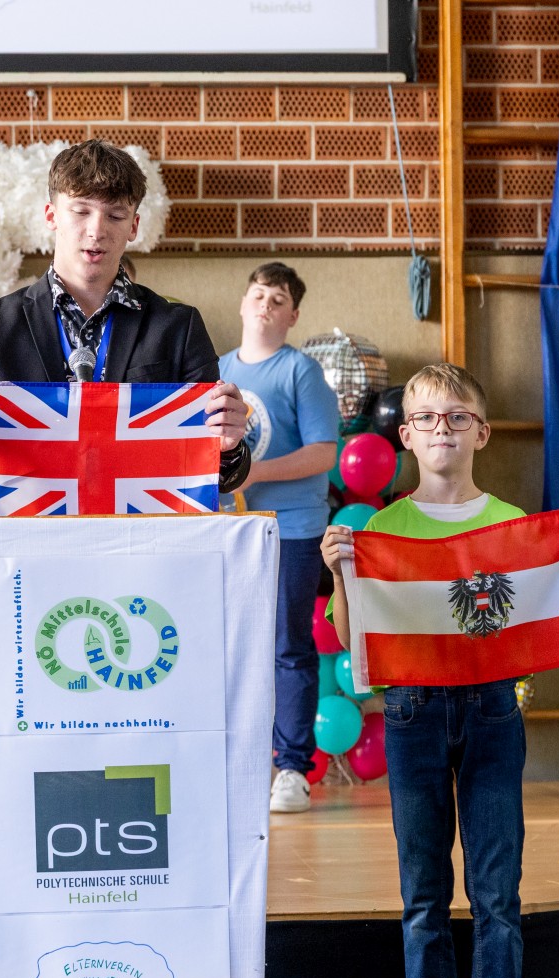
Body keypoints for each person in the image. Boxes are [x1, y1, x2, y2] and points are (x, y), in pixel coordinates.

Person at [320, 363, 559, 978]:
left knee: (498, 893)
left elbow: (545, 610)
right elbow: (348, 639)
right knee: (423, 896)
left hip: (493, 710)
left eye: (457, 416)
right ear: (406, 437)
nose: (441, 427)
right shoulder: (382, 529)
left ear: (482, 432)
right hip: (410, 711)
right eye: (425, 417)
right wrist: (338, 573)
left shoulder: (513, 523)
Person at [0, 138, 250, 488]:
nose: (97, 230)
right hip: (29, 520)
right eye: (81, 211)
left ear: (134, 226)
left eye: (115, 215)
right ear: (51, 216)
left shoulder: (178, 328)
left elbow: (217, 476)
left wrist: (229, 446)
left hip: (137, 520)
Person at [218, 263, 339, 814]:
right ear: (243, 303)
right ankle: (240, 764)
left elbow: (323, 453)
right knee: (233, 649)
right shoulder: (218, 372)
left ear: (293, 316)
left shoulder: (301, 373)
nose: (266, 305)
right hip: (231, 528)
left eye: (279, 299)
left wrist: (255, 473)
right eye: (259, 295)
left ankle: (292, 768)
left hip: (290, 529)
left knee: (288, 646)